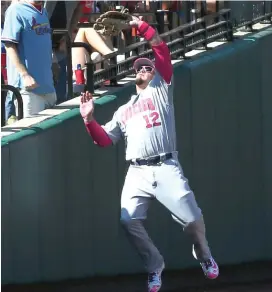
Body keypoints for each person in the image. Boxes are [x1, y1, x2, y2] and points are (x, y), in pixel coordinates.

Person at [79, 15, 219, 292]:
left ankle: (203, 256)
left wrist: (139, 26)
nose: (142, 69)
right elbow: (105, 141)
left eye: (147, 66)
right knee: (128, 220)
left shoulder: (161, 89)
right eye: (139, 68)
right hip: (137, 171)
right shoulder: (123, 110)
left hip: (166, 164)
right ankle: (154, 266)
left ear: (155, 73)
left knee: (192, 220)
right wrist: (89, 121)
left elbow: (160, 49)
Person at [2, 0, 56, 118]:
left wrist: (54, 61)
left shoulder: (43, 10)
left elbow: (44, 41)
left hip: (48, 86)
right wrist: (24, 74)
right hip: (28, 90)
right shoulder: (15, 10)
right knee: (32, 134)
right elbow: (9, 46)